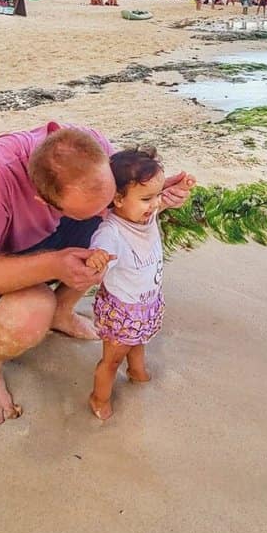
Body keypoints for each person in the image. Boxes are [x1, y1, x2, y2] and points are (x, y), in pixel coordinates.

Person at [0, 123, 193, 426]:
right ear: (43, 201)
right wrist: (54, 264)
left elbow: (119, 202)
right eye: (95, 208)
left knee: (108, 239)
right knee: (33, 310)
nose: (108, 209)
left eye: (110, 198)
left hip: (35, 243)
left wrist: (154, 194)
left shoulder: (89, 148)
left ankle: (61, 313)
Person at [85, 148, 195, 420]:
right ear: (118, 199)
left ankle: (136, 371)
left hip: (146, 303)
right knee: (112, 360)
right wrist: (97, 257)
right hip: (122, 310)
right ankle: (99, 397)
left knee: (140, 340)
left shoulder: (144, 215)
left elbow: (160, 204)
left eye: (157, 195)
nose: (155, 204)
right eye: (147, 198)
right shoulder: (111, 232)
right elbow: (101, 248)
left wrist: (175, 189)